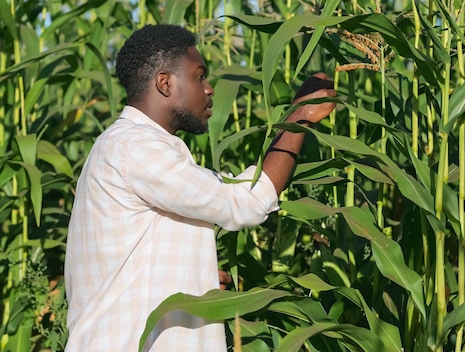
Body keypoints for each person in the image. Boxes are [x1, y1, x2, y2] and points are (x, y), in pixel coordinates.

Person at [64, 24, 336, 351]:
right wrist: (300, 116)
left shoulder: (137, 148)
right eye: (199, 76)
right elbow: (246, 201)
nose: (209, 90)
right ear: (165, 83)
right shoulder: (134, 148)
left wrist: (199, 275)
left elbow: (142, 254)